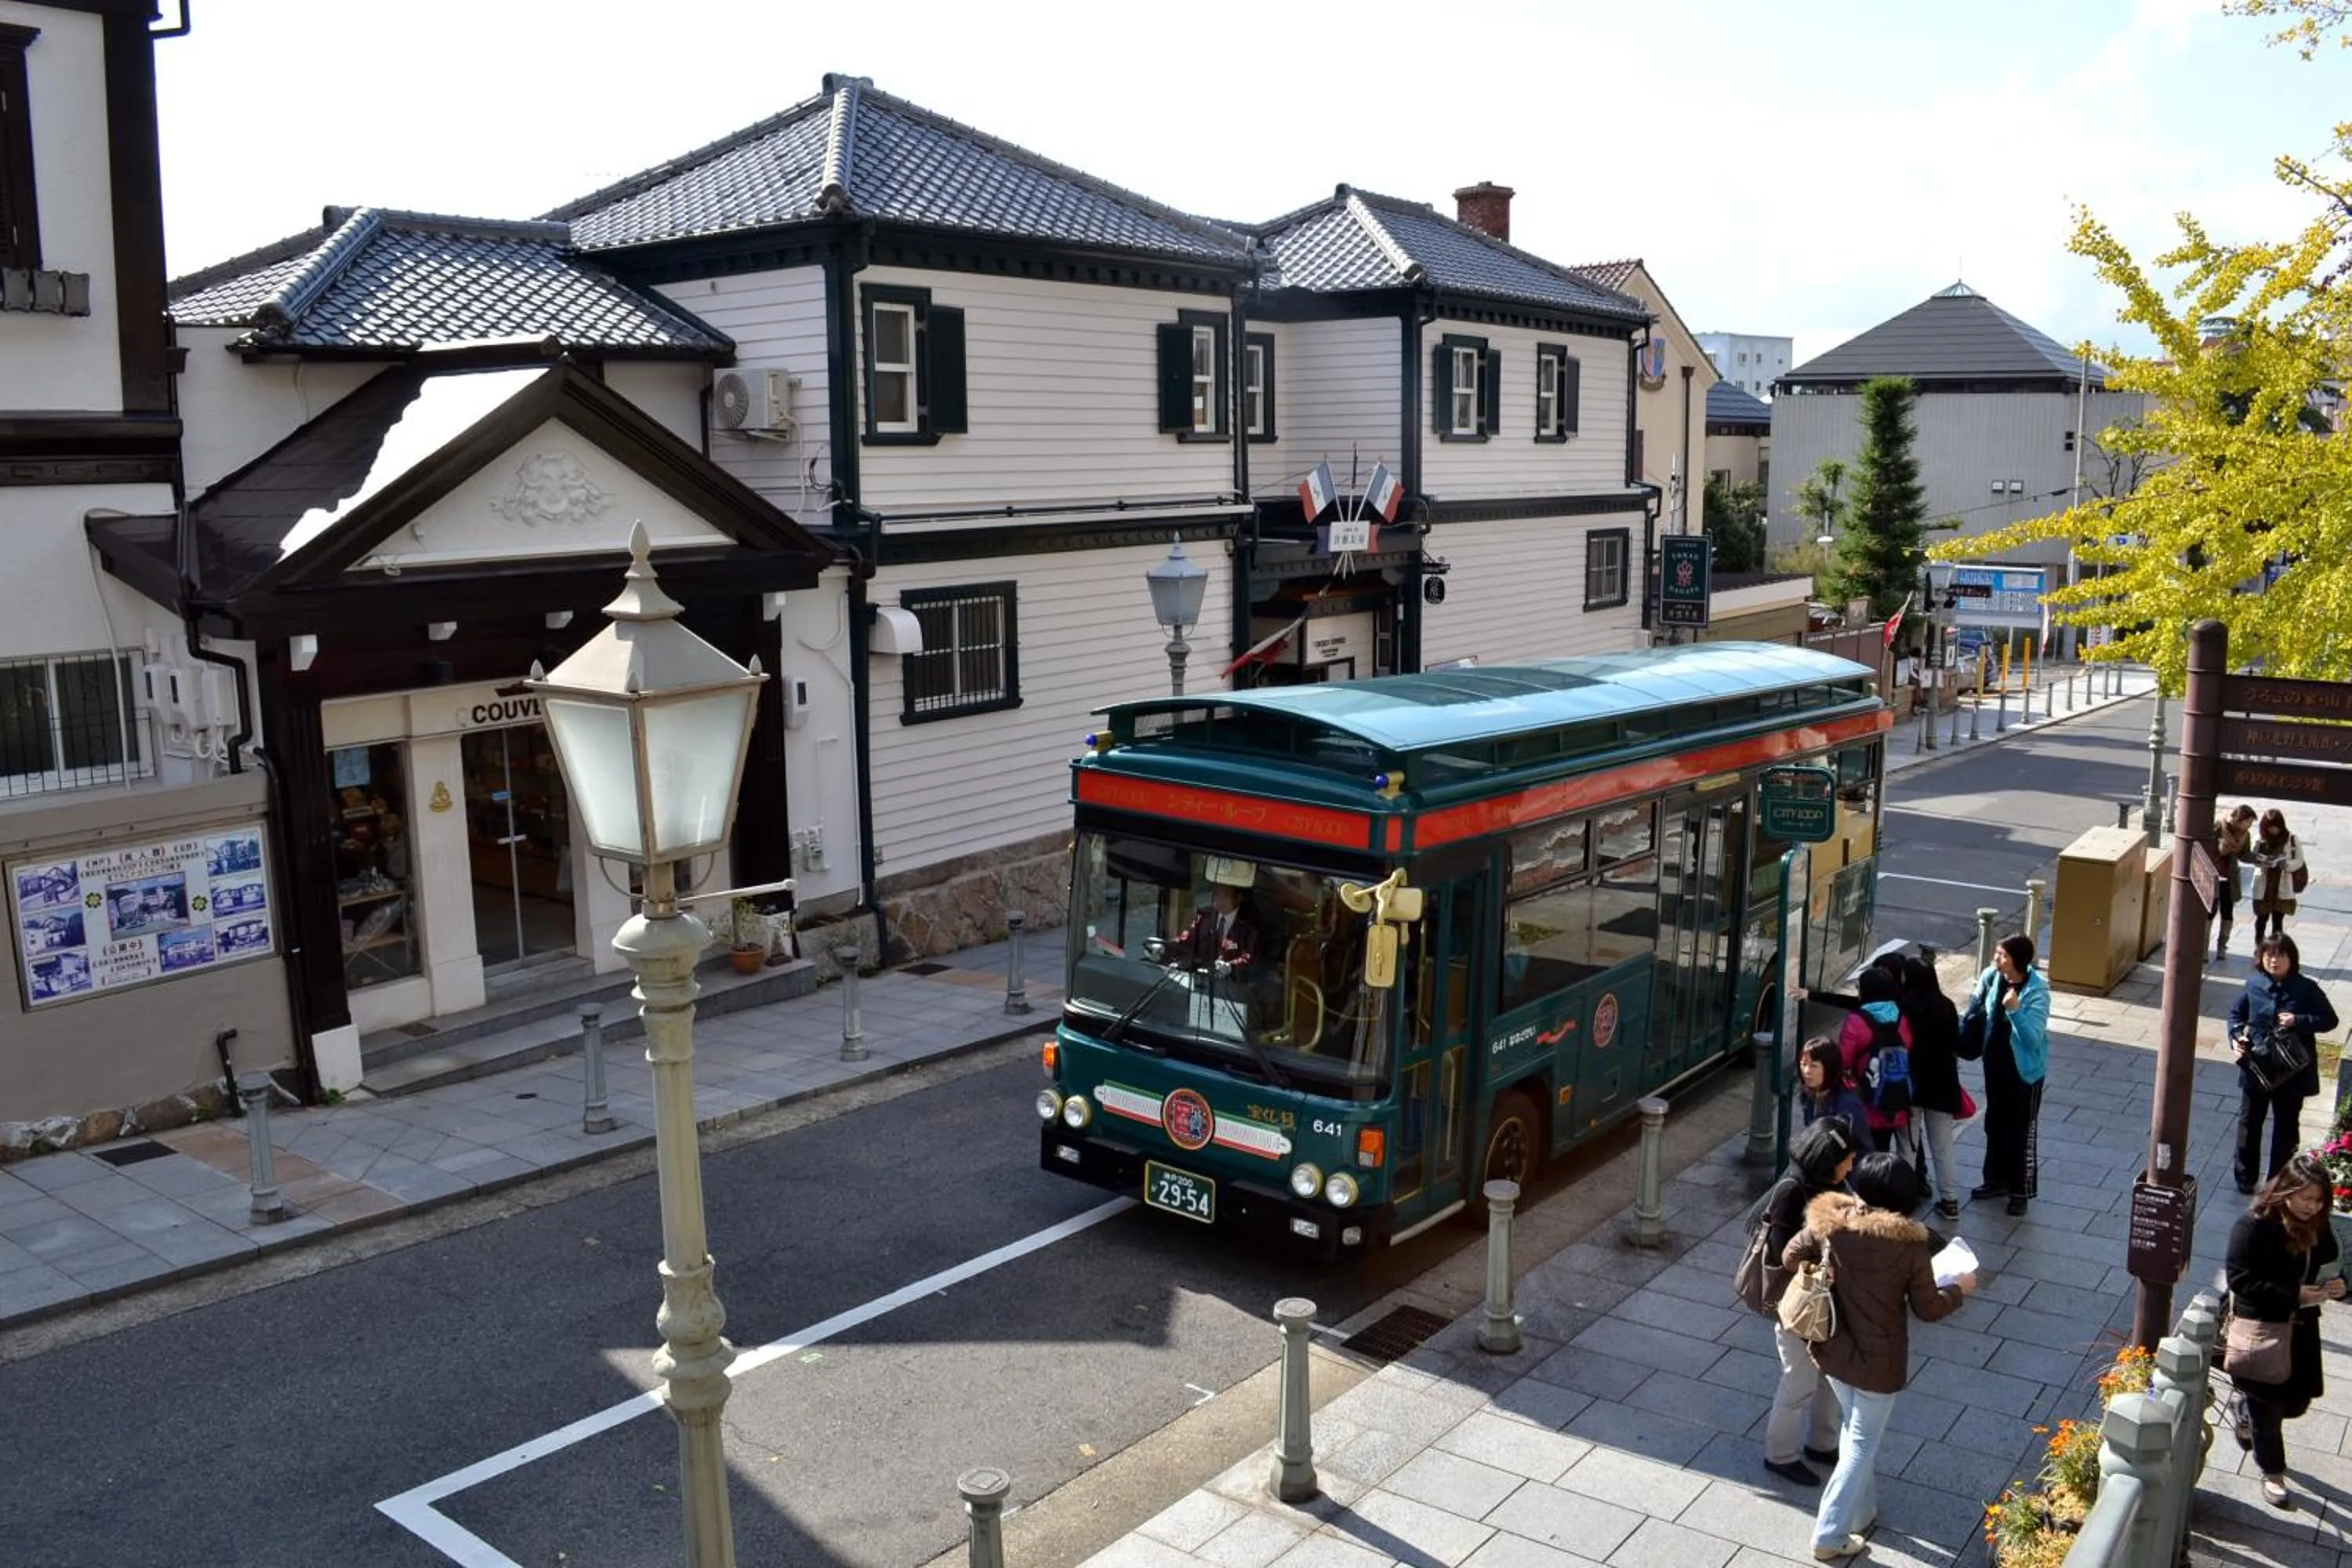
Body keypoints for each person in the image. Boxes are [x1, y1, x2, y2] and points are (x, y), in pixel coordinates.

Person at [1784, 1152, 1976, 1560]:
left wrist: (1823, 1274)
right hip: (1879, 1363)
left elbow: (1789, 1256)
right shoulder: (1908, 1246)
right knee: (1860, 1445)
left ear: (1861, 1191)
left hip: (1833, 1349)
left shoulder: (1831, 1225)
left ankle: (1861, 1513)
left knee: (1853, 1429)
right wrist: (1959, 1288)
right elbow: (1928, 1308)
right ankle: (1830, 1532)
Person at [2224, 1151, 2347, 1509]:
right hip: (2262, 1329)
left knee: (2296, 1403)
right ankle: (2272, 1472)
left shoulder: (2319, 1228)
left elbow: (2331, 1266)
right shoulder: (2253, 1226)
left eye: (2319, 1200)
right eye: (2306, 1198)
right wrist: (2291, 1294)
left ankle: (2245, 1412)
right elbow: (2240, 1280)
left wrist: (2340, 1286)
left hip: (2302, 1330)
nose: (2312, 1206)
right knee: (2270, 1410)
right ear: (2286, 1192)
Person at [1755, 1118, 1861, 1489]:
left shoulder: (1837, 1184)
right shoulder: (1792, 1190)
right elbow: (1783, 1253)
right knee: (1798, 1380)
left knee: (1831, 1379)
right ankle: (1779, 1455)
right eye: (1847, 1159)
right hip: (1799, 1304)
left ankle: (1822, 1444)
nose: (1851, 1166)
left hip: (1830, 1303)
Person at [2228, 935, 2341, 1194]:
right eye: (2269, 955)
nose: (2274, 960)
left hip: (2292, 1071)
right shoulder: (2253, 985)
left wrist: (2299, 1020)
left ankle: (2279, 1180)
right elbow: (2236, 1015)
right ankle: (2245, 1177)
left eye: (2280, 955)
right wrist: (2236, 1037)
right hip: (2259, 1065)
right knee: (2249, 1121)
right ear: (2261, 959)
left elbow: (2329, 1019)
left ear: (2291, 959)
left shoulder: (2306, 988)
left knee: (2287, 1126)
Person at [1969, 934, 2049, 1217]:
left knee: (2020, 1133)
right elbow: (1977, 1005)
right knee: (1995, 1124)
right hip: (1995, 1066)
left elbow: (2032, 1038)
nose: (1996, 958)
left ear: (2017, 960)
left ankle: (2019, 1192)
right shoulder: (1992, 976)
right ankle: (1995, 1180)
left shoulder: (2037, 991)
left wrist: (2015, 1011)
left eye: (2002, 955)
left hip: (2023, 1074)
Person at [1899, 956, 1967, 1221]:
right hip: (1942, 1085)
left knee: (1908, 1146)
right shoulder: (1946, 1006)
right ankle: (1950, 1200)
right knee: (1943, 1146)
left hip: (1911, 1086)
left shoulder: (1904, 1007)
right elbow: (1955, 1043)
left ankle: (1903, 1198)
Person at [1836, 967, 1912, 1160]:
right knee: (1881, 1153)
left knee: (1863, 1155)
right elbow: (1908, 1047)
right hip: (1893, 1098)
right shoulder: (1900, 1018)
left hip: (1864, 1100)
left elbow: (1843, 1060)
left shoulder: (1856, 1021)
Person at [1798, 1036, 1871, 1149]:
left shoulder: (1848, 1105)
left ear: (1829, 1068)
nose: (1807, 1071)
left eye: (1814, 1066)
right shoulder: (1808, 1093)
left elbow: (1862, 1149)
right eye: (1803, 1064)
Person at [2249, 809, 2308, 945]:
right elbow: (2252, 858)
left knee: (2278, 920)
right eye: (2269, 827)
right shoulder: (2259, 839)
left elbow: (2299, 860)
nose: (2273, 830)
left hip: (2282, 885)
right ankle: (2259, 948)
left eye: (2276, 827)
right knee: (2261, 920)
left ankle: (2276, 949)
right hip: (2263, 886)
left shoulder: (2292, 839)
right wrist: (2262, 860)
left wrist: (2285, 865)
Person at [1177, 883, 1259, 974]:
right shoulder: (1203, 917)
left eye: (1225, 894)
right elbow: (1185, 939)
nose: (1218, 897)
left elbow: (1249, 957)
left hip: (1231, 983)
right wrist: (1165, 948)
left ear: (1239, 898)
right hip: (1199, 979)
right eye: (1216, 892)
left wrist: (1230, 967)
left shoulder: (1249, 928)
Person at [2215, 804, 2256, 960]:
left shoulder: (2245, 835)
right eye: (2247, 822)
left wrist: (2257, 858)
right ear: (2237, 819)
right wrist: (2220, 849)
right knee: (2210, 911)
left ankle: (2222, 946)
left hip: (2229, 876)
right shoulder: (2218, 827)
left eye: (2251, 823)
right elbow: (2205, 847)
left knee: (2227, 911)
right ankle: (2204, 948)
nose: (2248, 825)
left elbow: (2244, 854)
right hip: (2213, 872)